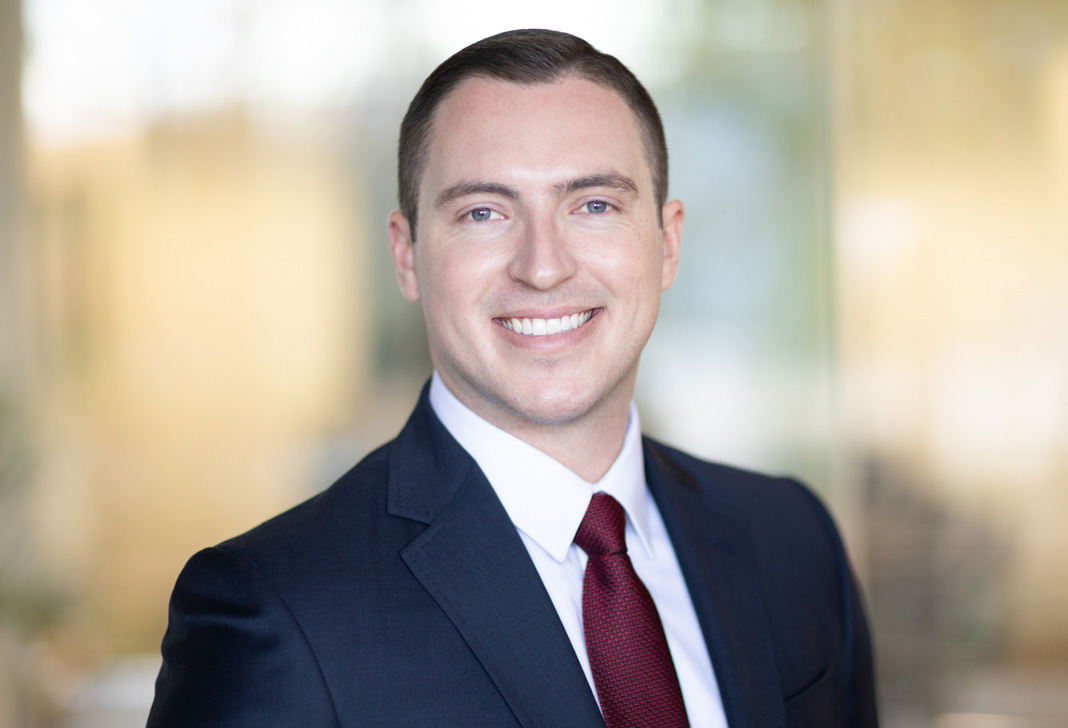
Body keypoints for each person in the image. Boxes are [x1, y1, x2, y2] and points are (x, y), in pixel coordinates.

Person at [148, 29, 878, 727]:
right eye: (484, 213)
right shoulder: (276, 609)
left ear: (667, 242)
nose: (543, 266)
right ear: (407, 256)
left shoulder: (792, 542)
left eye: (594, 205)